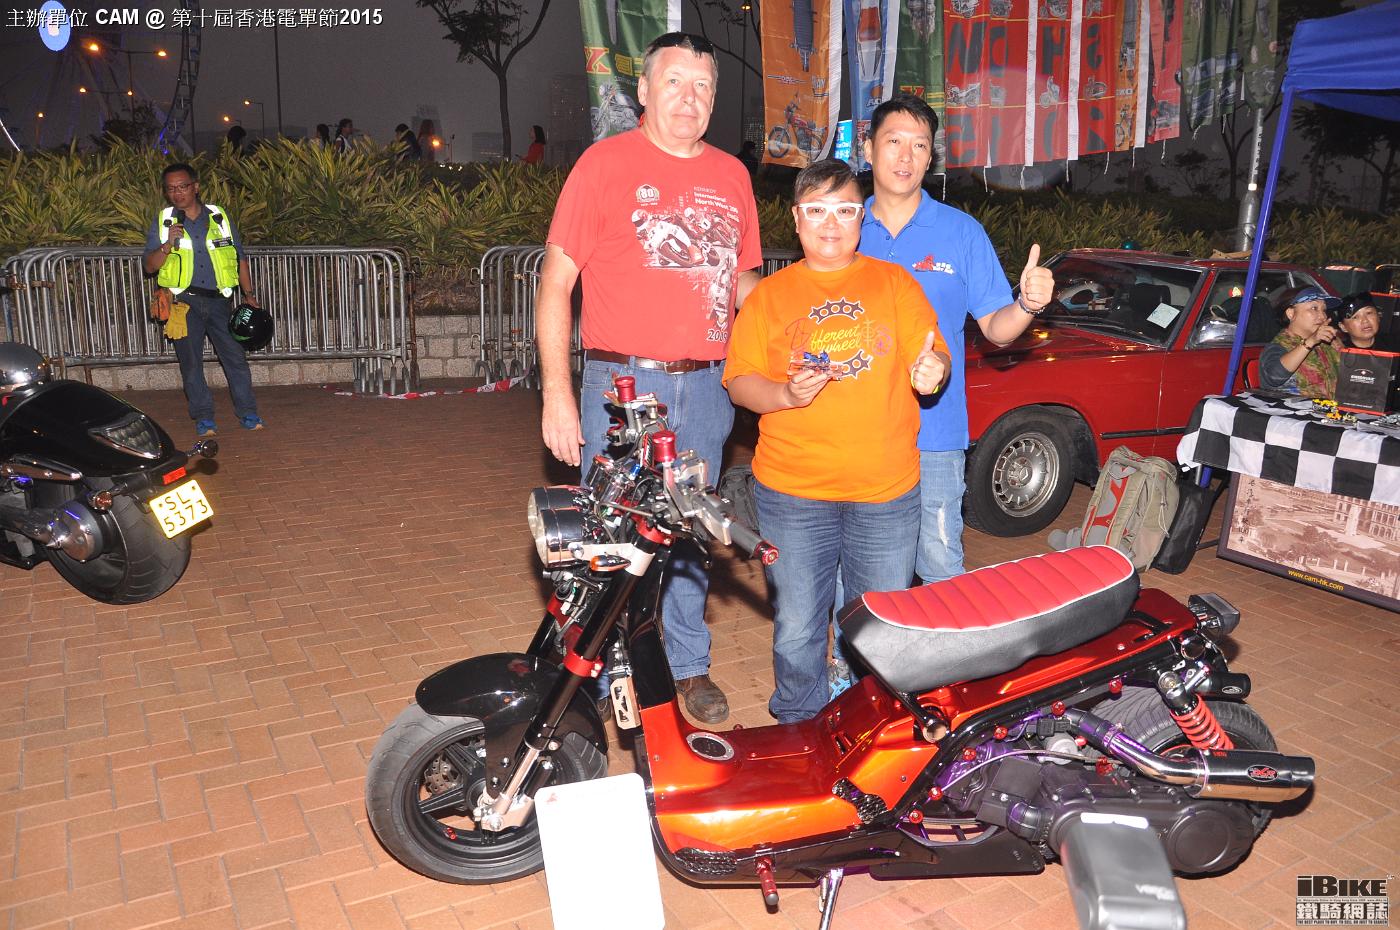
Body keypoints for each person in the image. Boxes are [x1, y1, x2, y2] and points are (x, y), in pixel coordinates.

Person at [537, 32, 763, 725]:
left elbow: (746, 286)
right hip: (624, 388)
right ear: (643, 90)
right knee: (613, 534)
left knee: (692, 528)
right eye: (673, 82)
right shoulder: (603, 165)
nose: (689, 99)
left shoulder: (733, 175)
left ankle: (688, 665)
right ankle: (604, 671)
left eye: (703, 86)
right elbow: (555, 282)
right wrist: (556, 394)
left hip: (710, 388)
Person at [724, 159, 950, 723]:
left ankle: (869, 724)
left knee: (878, 625)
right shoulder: (770, 296)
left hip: (885, 493)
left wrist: (933, 372)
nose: (831, 223)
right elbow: (740, 381)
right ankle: (798, 725)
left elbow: (932, 354)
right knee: (798, 624)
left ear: (861, 218)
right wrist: (784, 394)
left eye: (845, 210)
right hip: (793, 493)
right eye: (817, 210)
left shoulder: (894, 284)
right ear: (796, 218)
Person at [857, 93, 1055, 583]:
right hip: (854, 432)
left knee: (941, 568)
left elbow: (996, 329)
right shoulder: (843, 227)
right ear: (868, 148)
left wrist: (1028, 304)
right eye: (894, 141)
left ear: (931, 157)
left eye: (920, 145)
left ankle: (942, 640)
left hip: (936, 432)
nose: (906, 156)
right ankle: (854, 641)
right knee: (857, 572)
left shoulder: (961, 232)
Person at [142, 163, 264, 436]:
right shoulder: (165, 221)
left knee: (235, 359)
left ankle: (248, 412)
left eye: (182, 186)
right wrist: (166, 245)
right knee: (191, 364)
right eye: (171, 189)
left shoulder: (219, 216)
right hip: (183, 303)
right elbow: (149, 266)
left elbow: (239, 258)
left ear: (195, 187)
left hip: (220, 301)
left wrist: (249, 295)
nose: (177, 193)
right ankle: (204, 417)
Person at [1259, 286, 1342, 398]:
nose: (1323, 316)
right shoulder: (1278, 346)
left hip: (1330, 408)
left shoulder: (1327, 344)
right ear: (1291, 313)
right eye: (1314, 308)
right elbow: (1274, 376)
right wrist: (1310, 342)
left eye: (1324, 310)